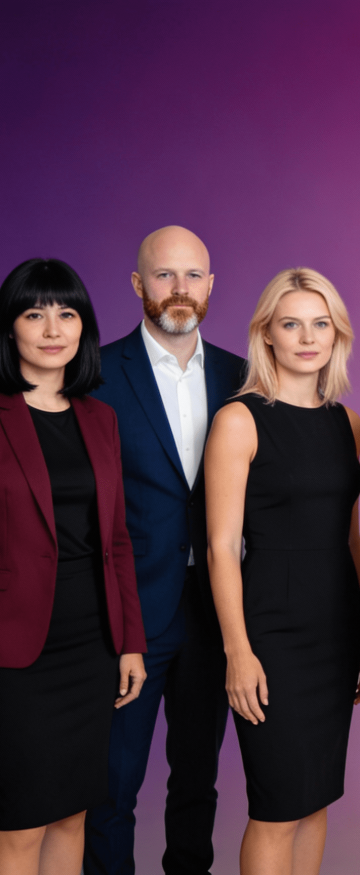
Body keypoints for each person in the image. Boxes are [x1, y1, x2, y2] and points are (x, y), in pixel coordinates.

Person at [204, 267, 360, 875]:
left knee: (315, 799)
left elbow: (351, 538)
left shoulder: (347, 423)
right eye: (291, 324)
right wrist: (237, 652)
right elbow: (222, 547)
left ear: (337, 335)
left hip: (334, 631)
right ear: (267, 335)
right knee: (277, 807)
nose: (307, 337)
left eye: (320, 324)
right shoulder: (240, 420)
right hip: (269, 633)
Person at [84, 227, 245, 875]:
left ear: (211, 284)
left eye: (193, 275)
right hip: (128, 614)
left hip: (213, 610)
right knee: (112, 786)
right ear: (137, 285)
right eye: (164, 275)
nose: (180, 289)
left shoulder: (241, 375)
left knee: (197, 783)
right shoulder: (94, 372)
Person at [0, 258, 147, 875]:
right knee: (20, 823)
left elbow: (115, 539)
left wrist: (131, 643)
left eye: (67, 314)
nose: (53, 328)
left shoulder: (99, 418)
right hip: (15, 649)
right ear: (11, 330)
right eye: (35, 314)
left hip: (91, 642)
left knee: (73, 814)